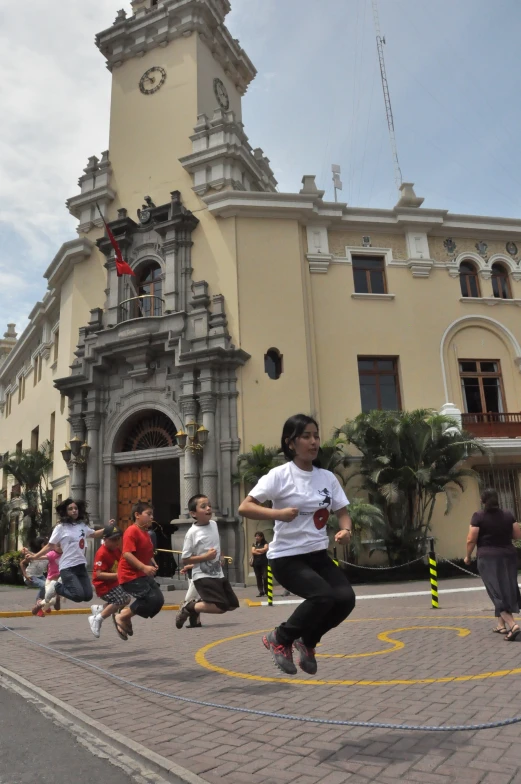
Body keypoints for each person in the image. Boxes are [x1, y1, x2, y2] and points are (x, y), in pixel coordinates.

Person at [238, 413, 355, 676]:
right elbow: (245, 507)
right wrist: (277, 514)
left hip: (317, 555)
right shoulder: (279, 475)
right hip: (287, 558)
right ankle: (279, 637)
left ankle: (307, 641)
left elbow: (343, 512)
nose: (313, 441)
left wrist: (346, 530)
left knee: (345, 599)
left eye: (316, 435)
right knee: (323, 596)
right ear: (291, 443)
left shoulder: (327, 477)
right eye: (306, 436)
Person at [465, 488, 521, 641]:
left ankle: (512, 625)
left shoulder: (478, 516)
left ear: (483, 501)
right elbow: (517, 534)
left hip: (488, 558)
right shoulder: (508, 515)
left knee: (495, 591)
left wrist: (468, 556)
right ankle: (501, 625)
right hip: (508, 556)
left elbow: (471, 539)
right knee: (506, 587)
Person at [175, 494, 239, 629]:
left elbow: (215, 544)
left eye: (209, 505)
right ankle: (189, 607)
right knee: (221, 607)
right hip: (203, 575)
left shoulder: (214, 524)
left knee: (232, 604)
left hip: (217, 573)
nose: (208, 508)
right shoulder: (192, 533)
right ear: (193, 513)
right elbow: (185, 558)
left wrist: (220, 556)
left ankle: (194, 615)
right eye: (203, 507)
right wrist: (206, 557)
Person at [26, 499, 105, 604]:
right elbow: (50, 546)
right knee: (78, 596)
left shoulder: (82, 526)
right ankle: (57, 587)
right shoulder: (60, 528)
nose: (74, 511)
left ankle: (59, 588)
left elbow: (94, 534)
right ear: (65, 512)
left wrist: (109, 529)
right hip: (68, 568)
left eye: (76, 508)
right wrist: (35, 556)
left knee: (88, 596)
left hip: (81, 566)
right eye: (70, 509)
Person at [113, 502, 164, 639]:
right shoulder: (132, 531)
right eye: (148, 514)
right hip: (129, 576)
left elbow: (146, 551)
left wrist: (152, 561)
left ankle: (126, 615)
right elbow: (127, 554)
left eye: (152, 514)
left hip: (141, 574)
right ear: (137, 515)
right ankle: (122, 616)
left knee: (158, 600)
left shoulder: (145, 533)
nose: (151, 517)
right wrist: (143, 567)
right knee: (150, 599)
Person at [88, 523, 131, 639]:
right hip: (103, 586)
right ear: (105, 539)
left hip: (114, 584)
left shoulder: (116, 550)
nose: (116, 543)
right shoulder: (101, 553)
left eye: (118, 539)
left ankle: (99, 609)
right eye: (113, 540)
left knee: (126, 598)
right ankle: (97, 619)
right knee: (120, 599)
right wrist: (118, 575)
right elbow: (99, 574)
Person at [20, 537, 48, 615]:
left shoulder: (47, 555)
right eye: (45, 544)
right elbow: (22, 563)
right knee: (44, 585)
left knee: (50, 587)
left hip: (40, 576)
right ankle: (38, 605)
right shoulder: (32, 556)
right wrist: (25, 575)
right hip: (31, 576)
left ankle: (45, 604)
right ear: (41, 545)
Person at [35, 544, 62, 615]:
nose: (60, 547)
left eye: (62, 545)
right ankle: (42, 604)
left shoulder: (65, 554)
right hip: (50, 581)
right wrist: (32, 556)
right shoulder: (52, 554)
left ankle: (41, 604)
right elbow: (42, 557)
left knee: (55, 603)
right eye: (58, 545)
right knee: (51, 600)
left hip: (60, 580)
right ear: (54, 547)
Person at [251, 531, 269, 596]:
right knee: (258, 577)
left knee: (265, 577)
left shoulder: (265, 543)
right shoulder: (254, 544)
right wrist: (261, 551)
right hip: (256, 563)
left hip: (264, 562)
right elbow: (253, 551)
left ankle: (267, 591)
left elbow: (266, 548)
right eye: (256, 536)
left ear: (261, 537)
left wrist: (257, 550)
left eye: (258, 536)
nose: (257, 537)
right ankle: (261, 591)